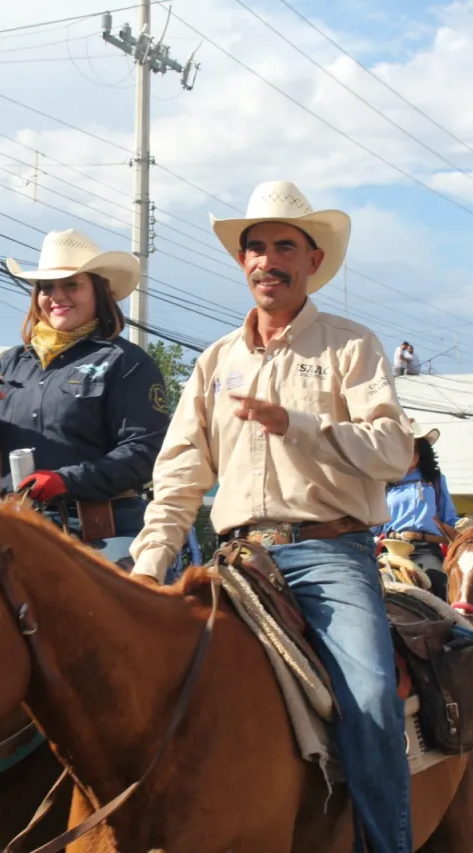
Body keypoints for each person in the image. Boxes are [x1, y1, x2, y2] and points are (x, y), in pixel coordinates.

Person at [130, 180, 415, 853]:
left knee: (372, 701)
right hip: (231, 559)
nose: (267, 259)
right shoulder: (215, 361)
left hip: (327, 554)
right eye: (255, 247)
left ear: (313, 261)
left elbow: (395, 450)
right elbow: (177, 476)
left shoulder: (351, 346)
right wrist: (147, 567)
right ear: (242, 262)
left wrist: (300, 424)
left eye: (284, 245)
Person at [0, 229, 169, 563]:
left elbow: (144, 452)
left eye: (71, 284)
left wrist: (67, 480)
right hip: (12, 527)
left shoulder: (126, 362)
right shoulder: (11, 363)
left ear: (99, 291)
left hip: (100, 532)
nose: (56, 296)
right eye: (47, 287)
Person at [376, 420, 457, 600]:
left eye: (414, 448)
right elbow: (374, 524)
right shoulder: (383, 482)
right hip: (389, 546)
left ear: (421, 453)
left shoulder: (434, 479)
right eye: (403, 447)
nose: (411, 454)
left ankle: (452, 626)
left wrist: (464, 528)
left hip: (425, 548)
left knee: (441, 583)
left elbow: (449, 519)